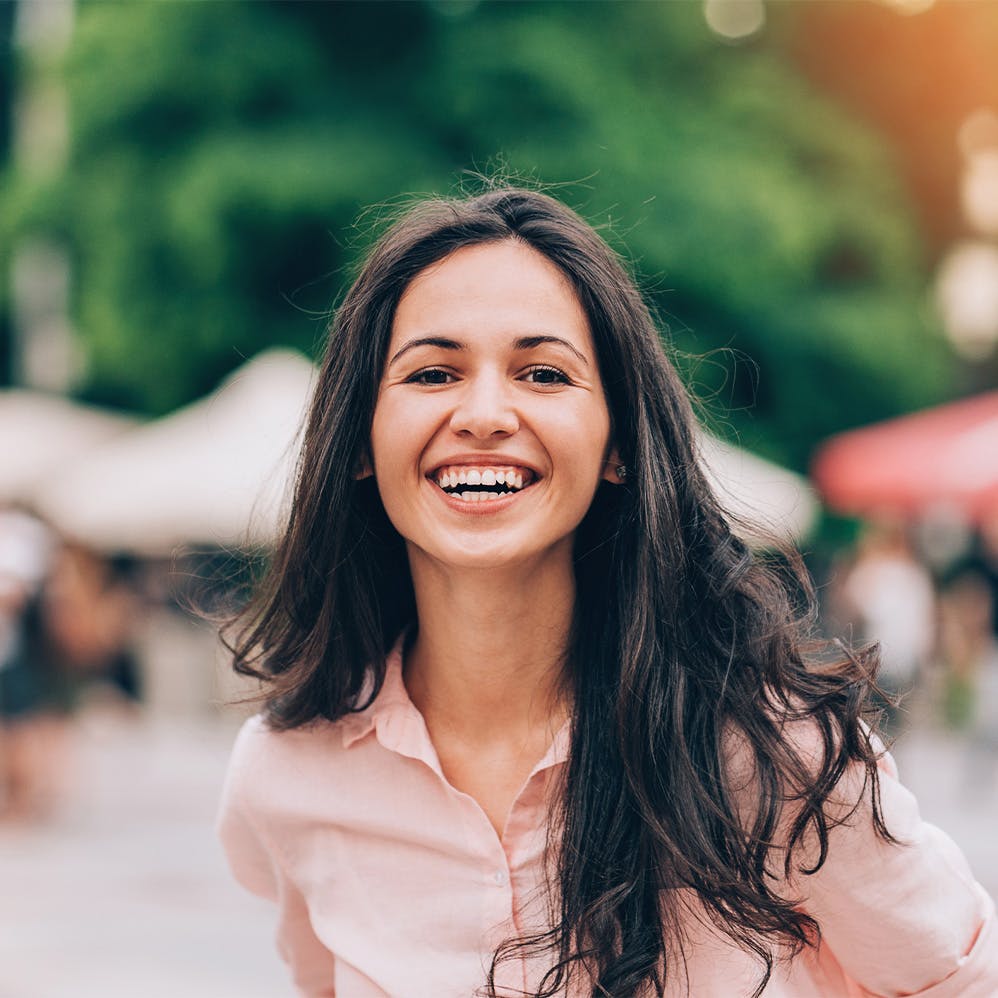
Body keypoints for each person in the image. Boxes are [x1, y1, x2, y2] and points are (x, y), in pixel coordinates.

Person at [217, 187, 997, 997]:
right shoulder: (285, 772)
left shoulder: (770, 752)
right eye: (434, 372)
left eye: (544, 373)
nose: (484, 413)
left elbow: (964, 977)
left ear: (618, 445)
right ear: (360, 444)